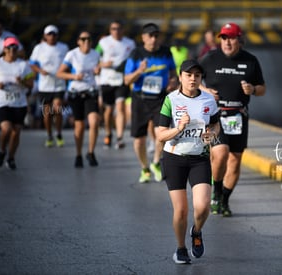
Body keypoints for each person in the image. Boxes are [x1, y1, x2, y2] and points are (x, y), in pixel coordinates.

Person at [199, 22, 266, 217]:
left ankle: (224, 201)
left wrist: (253, 90)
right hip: (216, 116)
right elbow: (188, 79)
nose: (227, 42)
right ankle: (216, 192)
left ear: (240, 40)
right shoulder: (210, 58)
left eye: (232, 38)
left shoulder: (251, 61)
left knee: (235, 161)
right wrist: (206, 91)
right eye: (224, 38)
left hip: (238, 116)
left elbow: (263, 88)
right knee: (220, 154)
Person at [157, 59, 220, 264]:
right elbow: (160, 134)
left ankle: (197, 231)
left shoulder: (209, 100)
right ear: (181, 76)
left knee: (202, 207)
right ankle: (181, 248)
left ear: (201, 78)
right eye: (188, 75)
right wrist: (178, 128)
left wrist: (212, 135)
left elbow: (216, 125)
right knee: (182, 210)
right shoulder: (171, 100)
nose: (193, 79)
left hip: (199, 158)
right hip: (174, 158)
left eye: (197, 76)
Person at [124, 23, 178, 183]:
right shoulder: (136, 53)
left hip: (160, 98)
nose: (154, 39)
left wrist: (173, 82)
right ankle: (144, 168)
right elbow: (126, 79)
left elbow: (173, 73)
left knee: (161, 134)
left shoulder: (166, 52)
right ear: (144, 38)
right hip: (140, 99)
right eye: (150, 36)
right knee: (139, 139)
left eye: (156, 36)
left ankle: (155, 162)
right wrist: (139, 71)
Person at [56, 31, 100, 168]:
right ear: (78, 41)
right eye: (83, 39)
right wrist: (75, 77)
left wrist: (98, 71)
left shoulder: (96, 54)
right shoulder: (72, 54)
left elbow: (97, 69)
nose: (86, 41)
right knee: (79, 126)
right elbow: (60, 73)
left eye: (89, 39)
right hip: (76, 92)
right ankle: (78, 154)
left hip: (91, 91)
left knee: (94, 122)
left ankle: (91, 152)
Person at [95, 20, 136, 149]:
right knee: (108, 110)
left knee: (121, 107)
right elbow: (94, 58)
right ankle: (108, 133)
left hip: (122, 80)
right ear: (110, 30)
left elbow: (134, 60)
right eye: (113, 28)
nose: (116, 31)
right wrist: (102, 64)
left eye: (118, 28)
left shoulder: (130, 43)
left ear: (123, 30)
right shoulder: (103, 43)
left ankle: (120, 137)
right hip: (107, 80)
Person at [29, 25, 69, 147]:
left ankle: (59, 133)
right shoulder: (39, 48)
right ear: (45, 36)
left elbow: (69, 63)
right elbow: (32, 63)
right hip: (45, 86)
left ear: (57, 35)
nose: (52, 36)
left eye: (54, 34)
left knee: (57, 108)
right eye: (49, 34)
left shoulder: (63, 47)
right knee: (47, 113)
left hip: (59, 84)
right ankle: (49, 135)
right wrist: (41, 71)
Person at [0, 37, 34, 169]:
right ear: (5, 50)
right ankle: (2, 150)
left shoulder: (23, 65)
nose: (12, 50)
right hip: (2, 102)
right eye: (10, 48)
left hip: (19, 103)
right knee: (6, 129)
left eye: (15, 48)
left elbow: (31, 84)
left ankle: (11, 157)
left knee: (16, 132)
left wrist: (22, 82)